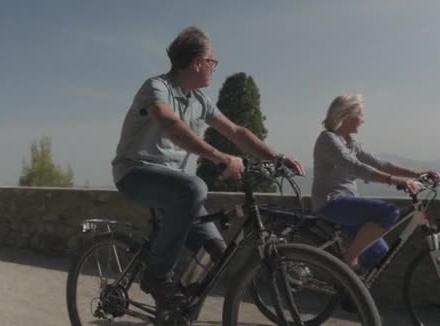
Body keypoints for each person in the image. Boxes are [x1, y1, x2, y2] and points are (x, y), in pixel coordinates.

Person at [112, 26, 304, 307]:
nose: (215, 68)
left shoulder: (199, 100)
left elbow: (236, 132)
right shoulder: (156, 88)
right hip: (135, 173)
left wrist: (276, 158)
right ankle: (157, 275)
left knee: (215, 249)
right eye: (213, 62)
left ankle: (177, 310)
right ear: (198, 63)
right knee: (194, 187)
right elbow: (170, 125)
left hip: (172, 185)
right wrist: (221, 157)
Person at [311, 94, 440, 272]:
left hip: (347, 202)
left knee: (379, 252)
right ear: (347, 115)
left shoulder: (350, 142)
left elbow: (381, 164)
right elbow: (355, 166)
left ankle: (351, 291)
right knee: (388, 212)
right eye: (361, 114)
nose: (363, 120)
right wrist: (393, 180)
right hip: (330, 203)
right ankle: (349, 259)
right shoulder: (327, 139)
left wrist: (418, 174)